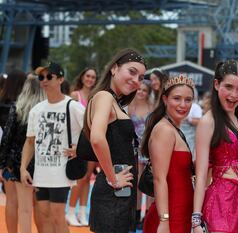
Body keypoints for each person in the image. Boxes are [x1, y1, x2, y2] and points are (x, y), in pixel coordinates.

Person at [83, 49, 146, 233]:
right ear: (114, 69)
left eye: (141, 77)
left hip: (120, 194)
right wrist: (113, 179)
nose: (136, 80)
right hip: (113, 194)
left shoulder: (113, 101)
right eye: (132, 72)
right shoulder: (105, 97)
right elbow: (96, 138)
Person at [20, 62, 85, 233]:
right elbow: (29, 142)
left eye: (50, 76)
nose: (44, 80)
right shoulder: (36, 110)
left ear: (61, 79)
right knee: (44, 215)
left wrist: (79, 149)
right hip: (41, 173)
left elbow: (94, 132)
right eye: (41, 77)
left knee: (57, 215)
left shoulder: (74, 107)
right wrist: (23, 168)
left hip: (61, 172)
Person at [193, 60, 238, 233]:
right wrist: (196, 220)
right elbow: (201, 173)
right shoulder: (208, 121)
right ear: (216, 84)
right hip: (221, 205)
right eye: (228, 86)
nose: (234, 94)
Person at [142, 74, 195, 233]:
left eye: (188, 100)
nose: (183, 105)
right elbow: (159, 179)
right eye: (177, 98)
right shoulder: (164, 130)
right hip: (169, 217)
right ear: (165, 99)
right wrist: (164, 220)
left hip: (180, 213)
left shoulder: (174, 130)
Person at [0, 76, 45, 233]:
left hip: (19, 162)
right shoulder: (46, 110)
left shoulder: (18, 108)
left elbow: (7, 137)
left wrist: (2, 163)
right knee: (40, 205)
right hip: (42, 162)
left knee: (18, 205)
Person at [67, 67, 98, 226]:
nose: (90, 79)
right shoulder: (74, 95)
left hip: (92, 141)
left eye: (93, 77)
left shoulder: (95, 97)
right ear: (82, 77)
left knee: (87, 178)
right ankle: (71, 212)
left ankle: (82, 213)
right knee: (79, 177)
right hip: (78, 142)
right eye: (88, 76)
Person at [0, 69, 26, 233]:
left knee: (11, 200)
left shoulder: (1, 105)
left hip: (7, 158)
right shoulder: (24, 107)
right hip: (23, 158)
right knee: (26, 204)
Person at [128, 79, 154, 229]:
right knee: (137, 184)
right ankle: (136, 215)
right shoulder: (130, 107)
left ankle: (148, 216)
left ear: (148, 93)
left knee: (149, 183)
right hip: (135, 149)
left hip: (150, 149)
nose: (141, 92)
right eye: (139, 89)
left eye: (144, 90)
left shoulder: (152, 108)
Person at [180, 88, 203, 156]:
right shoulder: (180, 105)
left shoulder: (196, 107)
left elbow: (199, 121)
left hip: (190, 136)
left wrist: (188, 119)